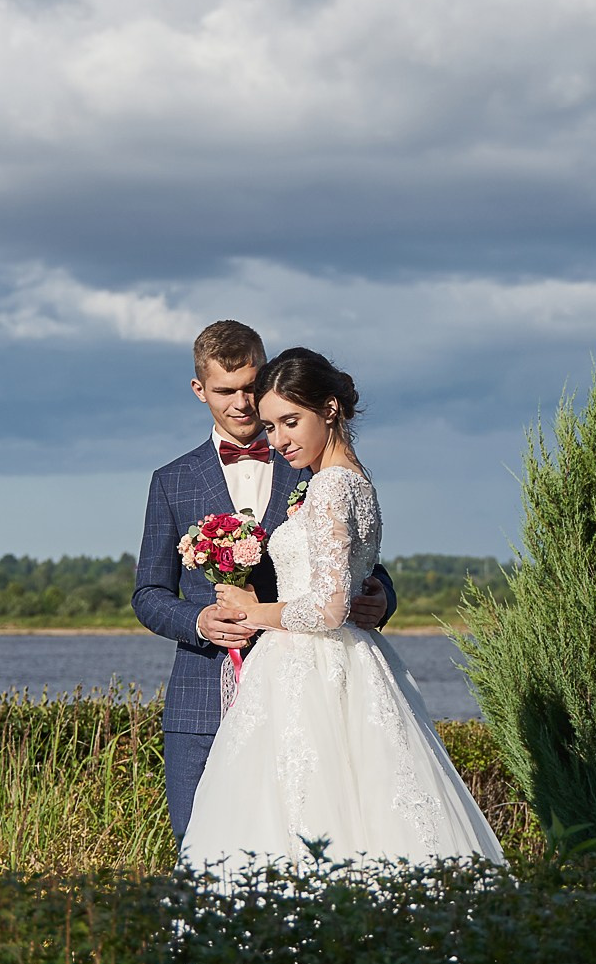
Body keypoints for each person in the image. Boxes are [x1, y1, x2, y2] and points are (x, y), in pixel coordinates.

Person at [179, 347, 503, 872]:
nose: (279, 439)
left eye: (290, 422)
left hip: (309, 668)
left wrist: (251, 609)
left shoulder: (328, 487)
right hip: (353, 660)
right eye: (271, 425)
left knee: (303, 813)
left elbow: (329, 608)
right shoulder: (356, 480)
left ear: (329, 409)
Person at [134, 320, 398, 841]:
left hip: (312, 698)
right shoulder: (171, 481)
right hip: (203, 702)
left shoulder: (312, 460)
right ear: (199, 389)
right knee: (205, 858)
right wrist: (201, 621)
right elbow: (148, 594)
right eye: (224, 391)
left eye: (250, 388)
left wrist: (382, 597)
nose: (241, 404)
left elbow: (360, 562)